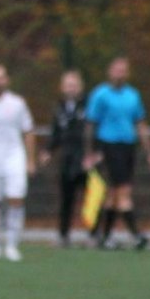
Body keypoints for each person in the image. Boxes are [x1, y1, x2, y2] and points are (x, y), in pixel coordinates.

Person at [84, 56, 150, 249]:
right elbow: (90, 124)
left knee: (113, 194)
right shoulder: (100, 94)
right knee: (123, 191)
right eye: (116, 70)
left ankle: (103, 236)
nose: (120, 73)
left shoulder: (133, 95)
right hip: (108, 146)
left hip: (128, 148)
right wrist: (89, 152)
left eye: (123, 70)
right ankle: (136, 235)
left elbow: (140, 124)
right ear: (110, 72)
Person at [0, 64, 36, 262]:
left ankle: (12, 244)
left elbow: (28, 131)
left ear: (7, 80)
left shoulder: (17, 103)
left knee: (15, 198)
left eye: (1, 77)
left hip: (14, 158)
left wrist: (30, 160)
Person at [41, 70, 89, 247]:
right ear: (62, 88)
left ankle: (94, 233)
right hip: (67, 158)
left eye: (74, 85)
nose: (71, 89)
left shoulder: (89, 105)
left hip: (86, 158)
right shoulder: (59, 107)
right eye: (68, 85)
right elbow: (56, 133)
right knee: (66, 198)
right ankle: (64, 234)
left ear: (80, 87)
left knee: (92, 197)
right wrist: (48, 150)